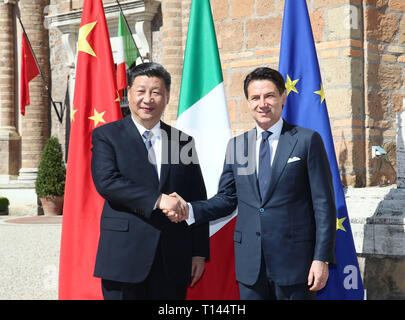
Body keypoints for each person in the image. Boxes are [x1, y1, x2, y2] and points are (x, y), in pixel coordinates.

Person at [164, 67, 336, 300]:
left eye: (269, 96)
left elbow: (323, 205)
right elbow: (227, 199)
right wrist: (190, 209)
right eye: (255, 97)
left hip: (297, 265)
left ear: (283, 97)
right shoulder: (237, 146)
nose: (262, 103)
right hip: (250, 267)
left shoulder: (306, 141)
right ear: (247, 102)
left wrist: (321, 258)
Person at [90, 62, 209, 300]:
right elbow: (107, 182)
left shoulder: (182, 142)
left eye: (156, 92)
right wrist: (158, 200)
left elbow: (197, 197)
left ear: (166, 97)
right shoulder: (107, 136)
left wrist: (199, 253)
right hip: (124, 257)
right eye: (141, 91)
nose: (148, 99)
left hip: (173, 257)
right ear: (129, 94)